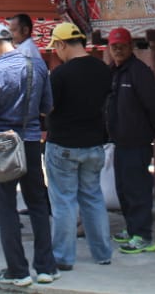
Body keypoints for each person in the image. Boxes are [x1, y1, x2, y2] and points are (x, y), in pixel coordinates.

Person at [0, 23, 57, 287]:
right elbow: (48, 106)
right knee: (37, 203)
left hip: (3, 145)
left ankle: (18, 270)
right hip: (33, 140)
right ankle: (46, 267)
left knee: (6, 207)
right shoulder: (38, 66)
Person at [45, 21, 113, 270]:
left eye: (56, 47)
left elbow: (48, 107)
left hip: (63, 144)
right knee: (93, 198)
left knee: (64, 202)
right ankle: (103, 253)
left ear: (62, 44)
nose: (56, 52)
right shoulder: (103, 70)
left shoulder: (60, 74)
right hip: (94, 144)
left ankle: (63, 257)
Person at [106, 26, 155, 255]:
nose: (118, 50)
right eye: (114, 46)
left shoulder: (140, 72)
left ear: (131, 46)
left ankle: (144, 236)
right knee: (123, 189)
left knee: (137, 189)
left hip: (137, 141)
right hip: (119, 142)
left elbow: (154, 105)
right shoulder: (113, 71)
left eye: (122, 46)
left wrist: (148, 131)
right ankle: (132, 230)